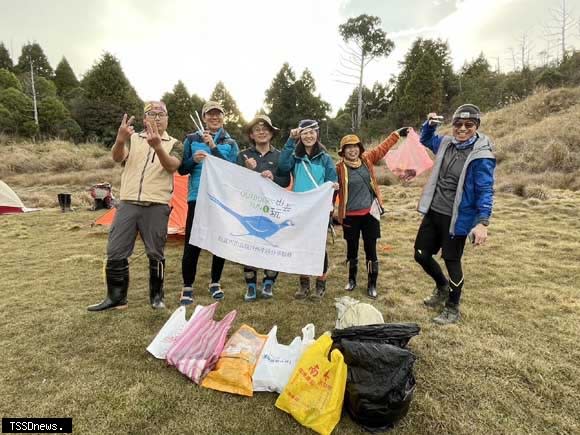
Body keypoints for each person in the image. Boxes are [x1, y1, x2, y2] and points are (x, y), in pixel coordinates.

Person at [88, 102, 182, 311]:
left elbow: (172, 166)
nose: (157, 118)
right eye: (152, 114)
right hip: (128, 203)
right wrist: (120, 140)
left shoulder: (175, 143)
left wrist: (158, 146)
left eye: (161, 114)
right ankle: (116, 299)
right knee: (115, 250)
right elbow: (117, 157)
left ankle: (157, 298)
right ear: (144, 118)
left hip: (157, 205)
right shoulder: (133, 139)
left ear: (167, 119)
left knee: (155, 253)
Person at [414, 104, 495, 324]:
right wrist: (429, 125)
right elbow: (426, 139)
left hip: (458, 217)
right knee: (421, 254)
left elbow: (485, 190)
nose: (462, 129)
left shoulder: (481, 156)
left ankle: (452, 306)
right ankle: (441, 287)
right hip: (434, 210)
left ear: (476, 126)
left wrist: (482, 222)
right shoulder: (446, 143)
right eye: (458, 124)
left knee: (452, 261)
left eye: (468, 125)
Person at [335, 128, 408, 299]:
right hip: (350, 216)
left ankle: (372, 283)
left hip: (370, 214)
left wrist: (395, 134)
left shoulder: (367, 159)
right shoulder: (338, 168)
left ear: (360, 148)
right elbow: (330, 189)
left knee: (371, 249)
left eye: (355, 146)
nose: (352, 150)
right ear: (343, 150)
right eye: (348, 147)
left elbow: (382, 148)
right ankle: (351, 280)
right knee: (351, 249)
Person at [178, 101, 239, 304]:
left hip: (220, 198)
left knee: (219, 242)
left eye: (218, 114)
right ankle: (187, 286)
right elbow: (182, 169)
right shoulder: (191, 139)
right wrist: (193, 161)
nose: (214, 118)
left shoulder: (230, 143)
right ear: (204, 117)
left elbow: (232, 170)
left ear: (223, 117)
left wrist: (213, 147)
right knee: (192, 242)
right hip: (197, 196)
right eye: (210, 114)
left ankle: (215, 282)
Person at [278, 119, 338, 301]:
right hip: (300, 208)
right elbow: (282, 167)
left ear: (317, 134)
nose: (309, 136)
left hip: (319, 209)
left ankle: (321, 284)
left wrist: (331, 201)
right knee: (300, 245)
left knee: (319, 247)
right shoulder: (295, 157)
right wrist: (289, 141)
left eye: (312, 132)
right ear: (300, 136)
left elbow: (332, 181)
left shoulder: (325, 158)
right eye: (305, 133)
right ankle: (304, 284)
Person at [237, 115, 290, 301]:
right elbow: (235, 181)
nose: (261, 131)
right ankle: (251, 286)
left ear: (271, 133)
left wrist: (274, 178)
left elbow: (286, 180)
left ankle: (269, 283)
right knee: (251, 245)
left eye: (265, 128)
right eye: (257, 129)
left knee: (273, 244)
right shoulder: (243, 155)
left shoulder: (280, 155)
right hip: (250, 208)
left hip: (273, 209)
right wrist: (248, 170)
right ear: (251, 134)